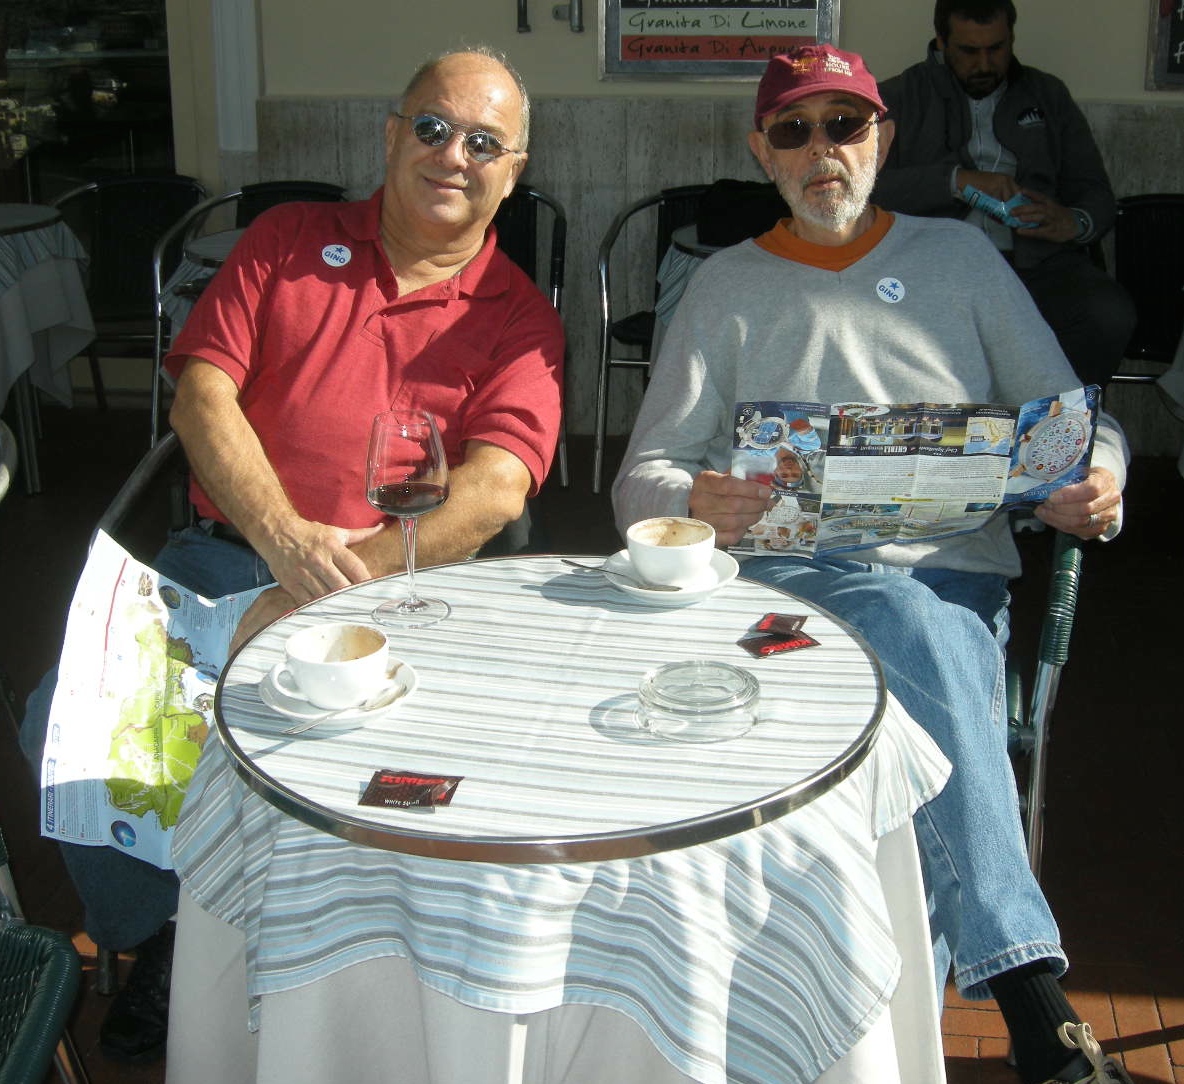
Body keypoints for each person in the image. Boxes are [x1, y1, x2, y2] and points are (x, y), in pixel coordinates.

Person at [19, 45, 563, 1064]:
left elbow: (494, 488)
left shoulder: (520, 318)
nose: (454, 154)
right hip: (228, 558)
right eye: (434, 127)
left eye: (483, 142)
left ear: (515, 170)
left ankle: (364, 961)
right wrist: (279, 544)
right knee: (63, 714)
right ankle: (171, 936)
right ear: (392, 135)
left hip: (405, 592)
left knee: (385, 766)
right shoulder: (284, 240)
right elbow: (200, 396)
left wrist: (339, 575)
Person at [614, 43, 1132, 1084]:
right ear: (761, 150)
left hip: (947, 578)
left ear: (880, 138)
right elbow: (642, 479)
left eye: (843, 125)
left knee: (911, 617)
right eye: (794, 131)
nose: (822, 151)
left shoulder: (960, 260)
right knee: (907, 626)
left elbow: (1073, 422)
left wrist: (1102, 478)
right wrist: (693, 502)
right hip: (784, 590)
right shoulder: (724, 286)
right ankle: (1027, 1001)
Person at [871, 0, 1136, 391]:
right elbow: (864, 191)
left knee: (1108, 314)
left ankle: (1058, 427)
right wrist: (955, 181)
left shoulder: (1047, 94)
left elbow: (1095, 191)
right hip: (931, 263)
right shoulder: (897, 96)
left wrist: (1073, 222)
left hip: (1035, 264)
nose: (984, 64)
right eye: (969, 51)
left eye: (996, 49)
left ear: (1011, 38)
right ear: (941, 43)